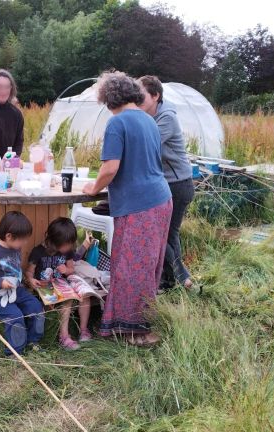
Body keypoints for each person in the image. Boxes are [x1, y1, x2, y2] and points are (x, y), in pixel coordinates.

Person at [82, 72, 173, 347]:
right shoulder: (148, 119)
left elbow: (111, 168)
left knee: (132, 268)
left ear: (107, 98)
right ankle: (129, 322)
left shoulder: (117, 123)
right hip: (160, 199)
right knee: (146, 265)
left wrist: (93, 188)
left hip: (140, 205)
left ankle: (135, 331)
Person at [139, 76, 195, 290]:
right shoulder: (148, 116)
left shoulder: (166, 118)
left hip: (177, 185)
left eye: (141, 95)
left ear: (155, 96)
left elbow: (146, 145)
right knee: (168, 235)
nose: (137, 99)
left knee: (162, 236)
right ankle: (173, 281)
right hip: (165, 184)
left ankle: (182, 279)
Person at [0, 212, 44, 355]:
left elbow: (15, 269)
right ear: (8, 236)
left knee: (36, 308)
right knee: (15, 317)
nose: (24, 243)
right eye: (22, 239)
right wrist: (0, 282)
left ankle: (33, 341)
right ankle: (15, 352)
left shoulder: (16, 247)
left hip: (17, 290)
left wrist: (25, 280)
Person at [25, 218, 94, 351]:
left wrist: (66, 270)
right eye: (67, 244)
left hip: (62, 284)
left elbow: (71, 269)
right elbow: (29, 272)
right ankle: (64, 337)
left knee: (85, 295)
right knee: (67, 302)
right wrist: (31, 280)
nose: (70, 247)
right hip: (45, 287)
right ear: (56, 242)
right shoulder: (38, 252)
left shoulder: (67, 251)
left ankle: (84, 331)